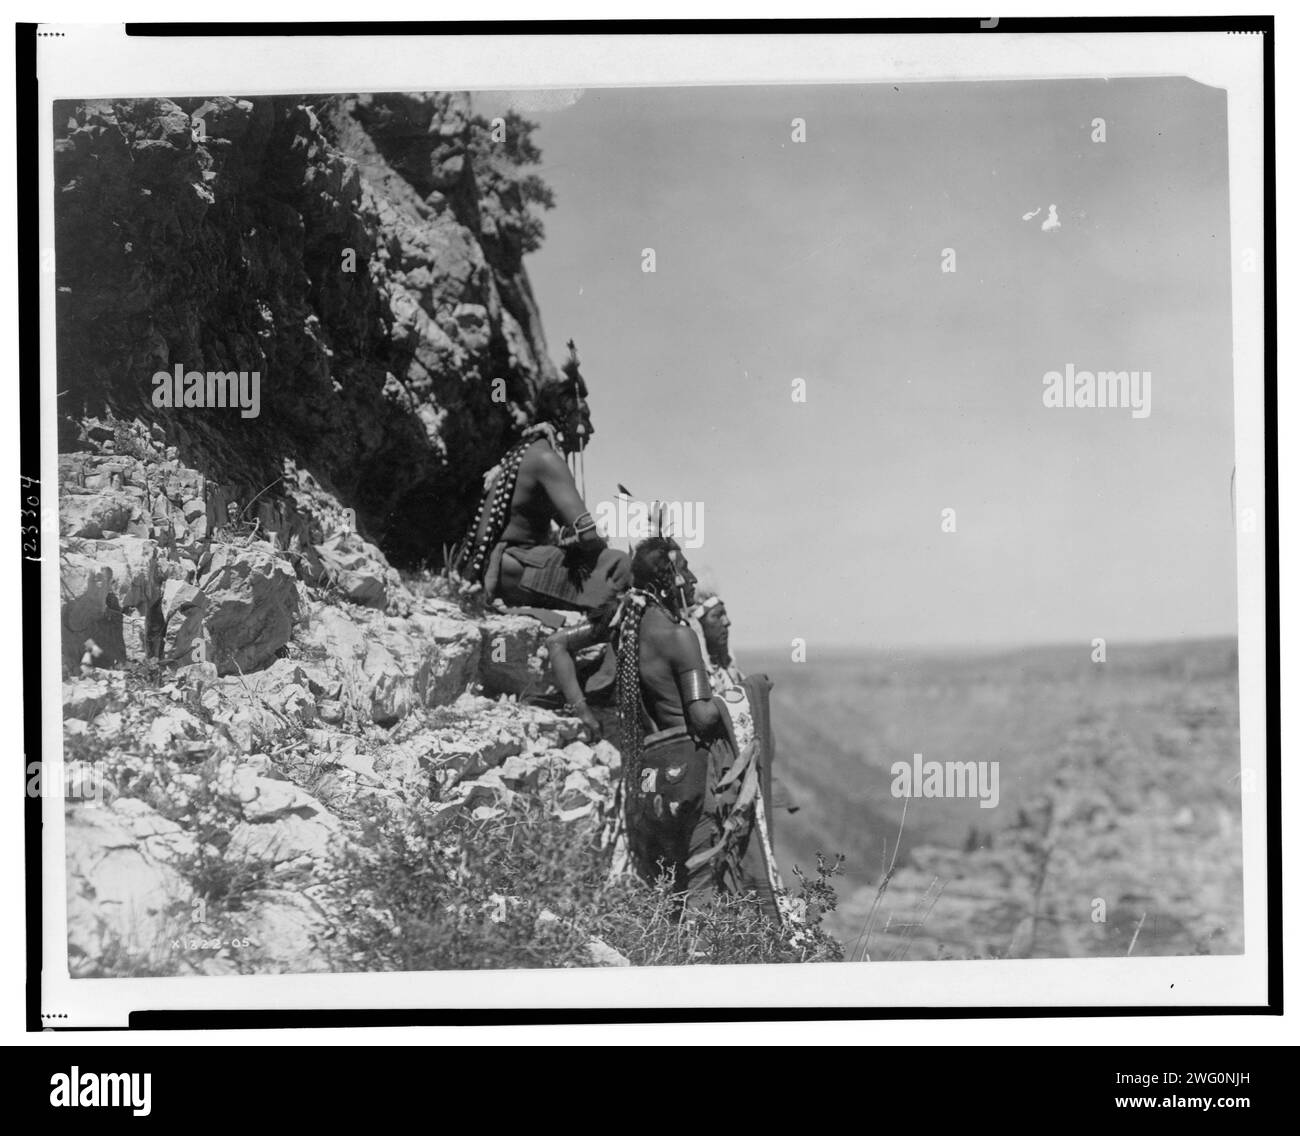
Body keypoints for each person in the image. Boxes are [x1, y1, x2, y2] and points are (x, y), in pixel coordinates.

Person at [546, 538, 777, 916]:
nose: (689, 578)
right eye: (683, 570)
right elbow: (701, 715)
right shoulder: (680, 637)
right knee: (704, 891)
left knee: (671, 892)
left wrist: (583, 712)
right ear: (667, 579)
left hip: (648, 777)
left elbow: (557, 644)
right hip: (692, 773)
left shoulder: (625, 626)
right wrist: (746, 692)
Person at [456, 343, 630, 613]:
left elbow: (568, 526)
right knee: (620, 563)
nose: (591, 429)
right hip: (512, 567)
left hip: (500, 565)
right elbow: (587, 534)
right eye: (584, 417)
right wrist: (595, 542)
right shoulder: (548, 459)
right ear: (563, 418)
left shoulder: (529, 450)